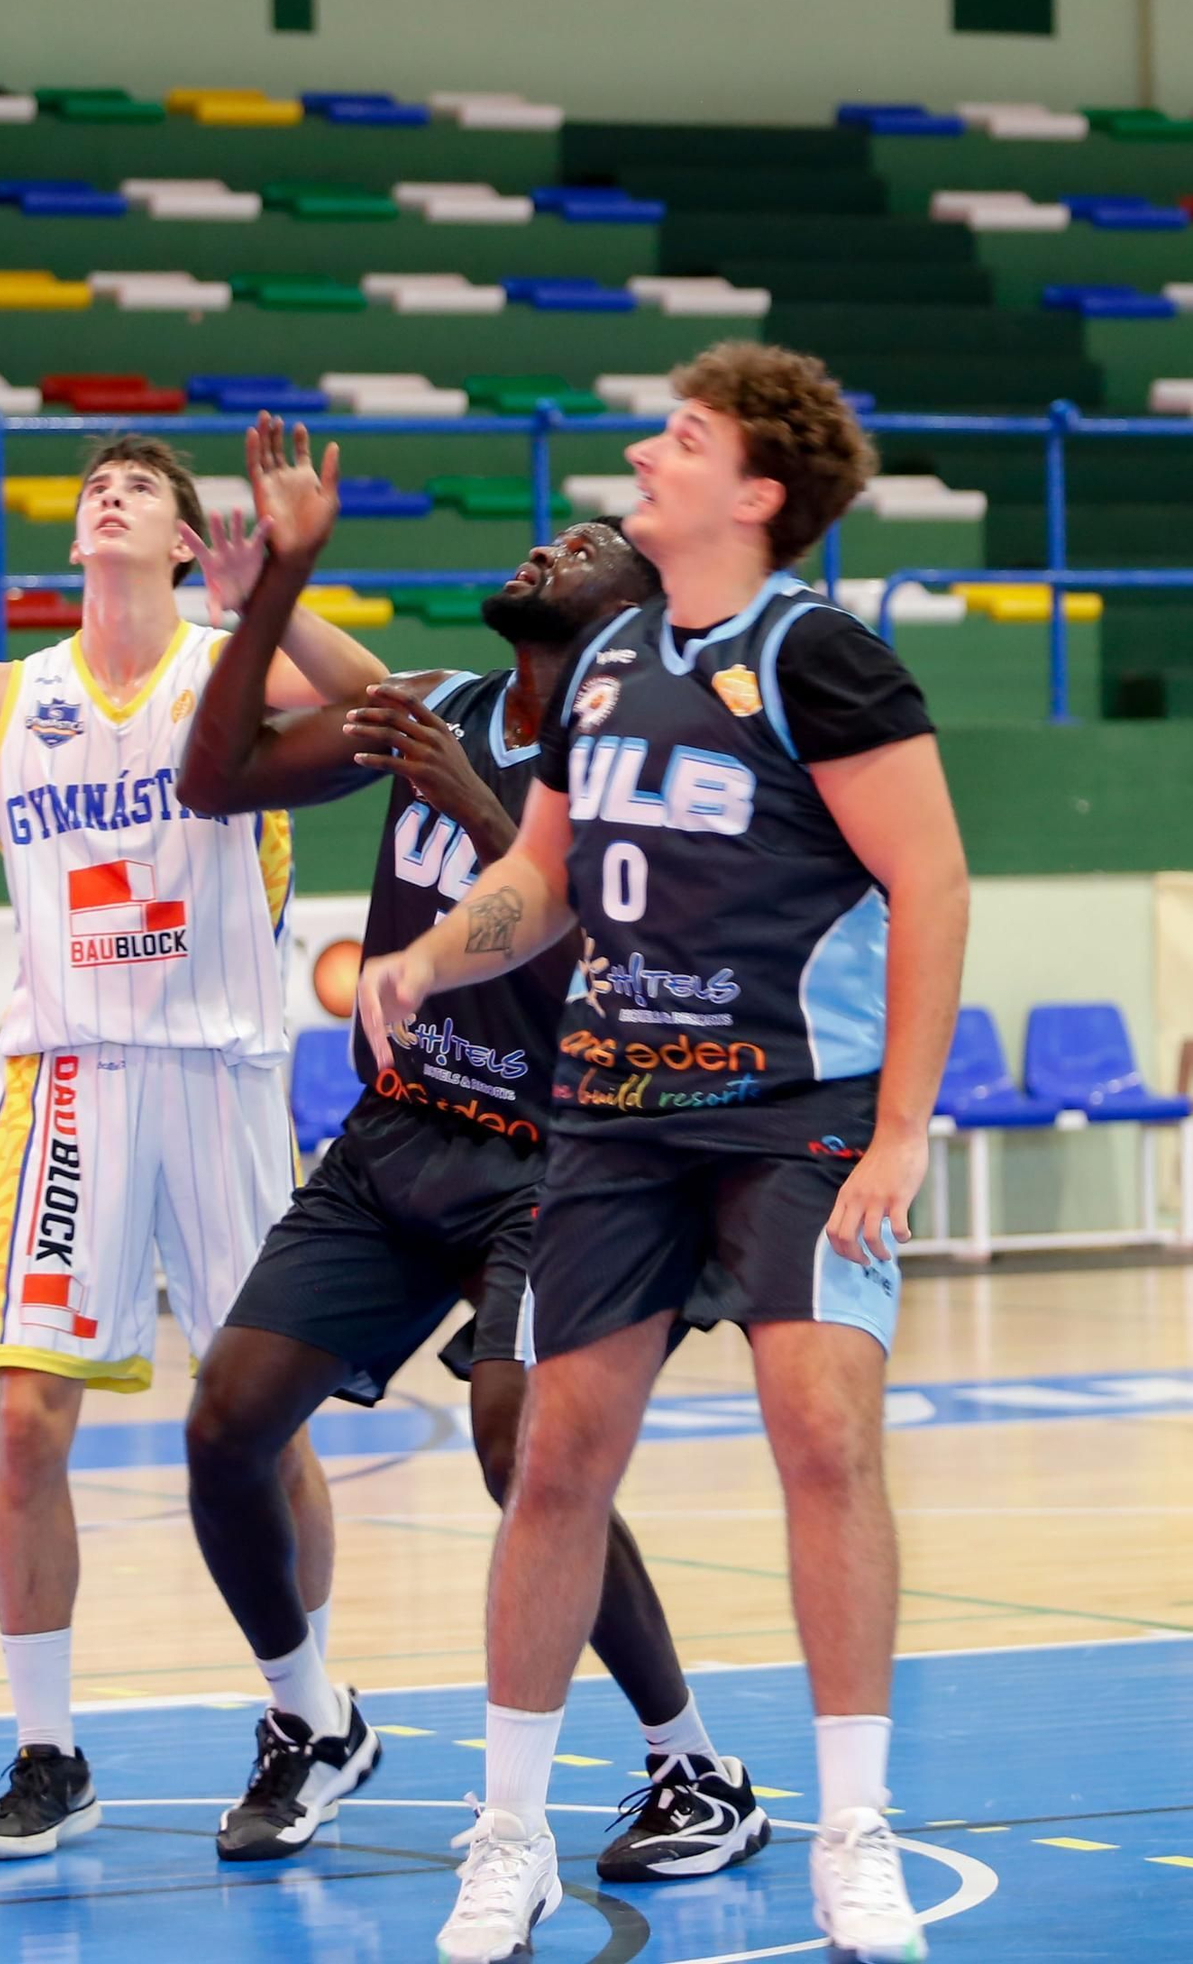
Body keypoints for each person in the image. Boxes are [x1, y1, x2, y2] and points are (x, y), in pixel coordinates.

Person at [358, 343, 970, 1964]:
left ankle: (855, 1831)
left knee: (823, 1433)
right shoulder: (616, 657)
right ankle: (509, 1839)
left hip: (798, 1112)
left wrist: (902, 1123)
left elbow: (935, 882)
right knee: (555, 1456)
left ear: (756, 492)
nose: (644, 446)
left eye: (680, 436)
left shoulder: (824, 660)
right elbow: (540, 877)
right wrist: (425, 959)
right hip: (618, 1114)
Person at [177, 498, 766, 1877]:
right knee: (224, 1428)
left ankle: (695, 1768)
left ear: (640, 601)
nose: (553, 541)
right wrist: (276, 591)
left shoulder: (648, 759)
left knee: (524, 1446)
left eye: (593, 537)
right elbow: (219, 779)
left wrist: (474, 804)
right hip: (400, 1140)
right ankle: (312, 1718)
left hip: (572, 1161)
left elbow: (623, 980)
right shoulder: (444, 701)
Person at [0, 422, 390, 1861]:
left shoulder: (232, 665)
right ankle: (46, 1750)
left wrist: (281, 592)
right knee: (26, 1423)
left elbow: (389, 711)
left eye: (141, 488)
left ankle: (311, 1717)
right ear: (75, 539)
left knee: (263, 1431)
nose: (111, 495)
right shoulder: (2, 695)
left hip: (219, 1078)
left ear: (189, 542)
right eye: (94, 489)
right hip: (69, 1079)